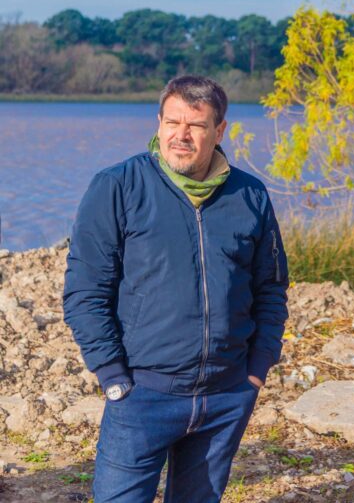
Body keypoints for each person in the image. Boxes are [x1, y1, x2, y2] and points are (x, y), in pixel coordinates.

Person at [63, 75, 289, 502]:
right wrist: (112, 375)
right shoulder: (118, 186)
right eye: (172, 122)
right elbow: (85, 291)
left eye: (195, 126)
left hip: (226, 396)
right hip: (141, 396)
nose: (180, 136)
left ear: (219, 131)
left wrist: (257, 367)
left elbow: (272, 287)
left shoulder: (250, 195)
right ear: (159, 121)